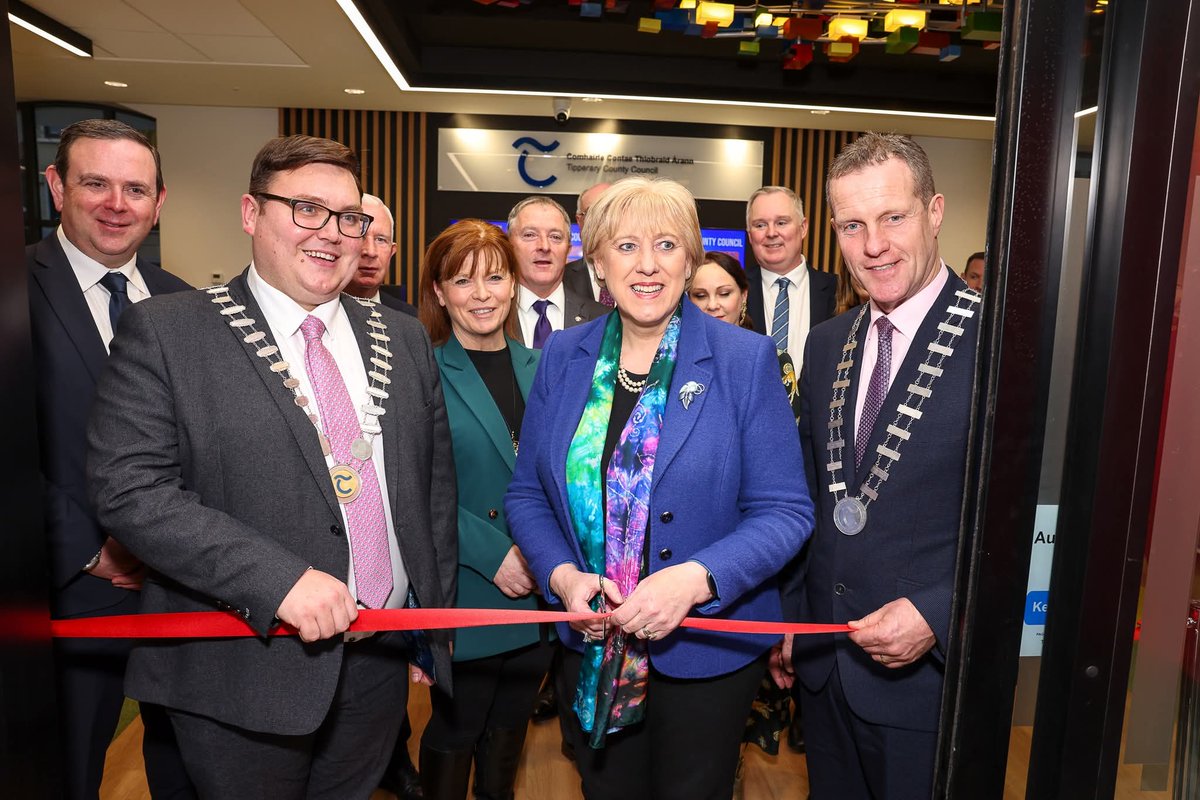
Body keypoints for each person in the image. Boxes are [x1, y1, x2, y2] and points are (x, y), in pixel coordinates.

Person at [86, 134, 457, 799]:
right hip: (242, 667)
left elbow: (430, 493)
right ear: (252, 213)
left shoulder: (402, 338)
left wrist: (430, 621)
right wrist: (279, 580)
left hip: (377, 662)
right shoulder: (168, 333)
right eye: (306, 209)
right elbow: (132, 491)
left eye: (350, 217)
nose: (334, 234)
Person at [505, 177, 814, 800]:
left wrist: (695, 578)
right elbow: (527, 496)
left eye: (667, 245)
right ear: (595, 262)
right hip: (591, 643)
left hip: (707, 651)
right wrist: (563, 576)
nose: (647, 265)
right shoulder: (563, 357)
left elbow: (785, 511)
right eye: (625, 246)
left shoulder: (744, 359)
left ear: (690, 259)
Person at [776, 132, 982, 799]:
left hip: (927, 686)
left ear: (934, 211)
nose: (874, 246)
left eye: (893, 217)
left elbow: (1039, 521)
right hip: (823, 669)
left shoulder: (1002, 343)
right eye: (852, 226)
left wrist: (940, 612)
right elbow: (809, 495)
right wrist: (791, 615)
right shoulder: (828, 342)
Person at [27, 118, 193, 800]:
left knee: (190, 770)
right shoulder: (15, 290)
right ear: (56, 185)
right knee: (68, 770)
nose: (116, 204)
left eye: (135, 188)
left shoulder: (187, 303)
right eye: (95, 183)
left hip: (181, 587)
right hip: (71, 588)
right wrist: (91, 548)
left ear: (160, 202)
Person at [413, 219, 552, 800]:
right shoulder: (423, 371)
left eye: (494, 277)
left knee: (510, 729)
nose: (482, 294)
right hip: (469, 584)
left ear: (513, 285)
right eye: (463, 281)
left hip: (541, 588)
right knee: (457, 726)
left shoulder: (544, 365)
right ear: (440, 292)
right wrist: (496, 555)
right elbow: (415, 489)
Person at [744, 185, 838, 376]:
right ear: (750, 235)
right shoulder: (735, 292)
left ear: (803, 228)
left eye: (781, 222)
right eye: (760, 225)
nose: (771, 233)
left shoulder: (838, 291)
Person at [507, 196, 608, 349]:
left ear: (568, 249)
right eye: (529, 235)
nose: (544, 246)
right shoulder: (491, 316)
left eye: (555, 237)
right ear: (509, 245)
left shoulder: (602, 320)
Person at [344, 192, 418, 318]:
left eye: (380, 240)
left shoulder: (411, 320)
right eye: (361, 236)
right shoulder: (313, 313)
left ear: (391, 252)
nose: (370, 252)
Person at [564, 182, 615, 307]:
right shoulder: (560, 280)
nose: (602, 221)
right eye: (592, 213)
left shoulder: (644, 277)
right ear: (580, 221)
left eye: (610, 211)